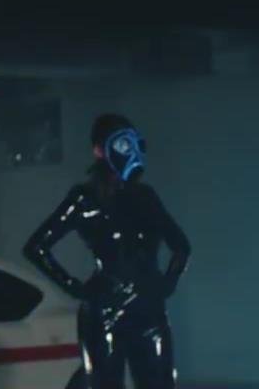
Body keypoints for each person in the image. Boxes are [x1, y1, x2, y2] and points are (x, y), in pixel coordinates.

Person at [23, 114, 190, 389]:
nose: (131, 151)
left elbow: (181, 246)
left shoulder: (145, 196)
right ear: (100, 151)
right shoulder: (84, 199)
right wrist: (76, 288)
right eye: (122, 143)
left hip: (149, 312)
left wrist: (165, 285)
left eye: (134, 143)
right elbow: (36, 247)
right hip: (105, 313)